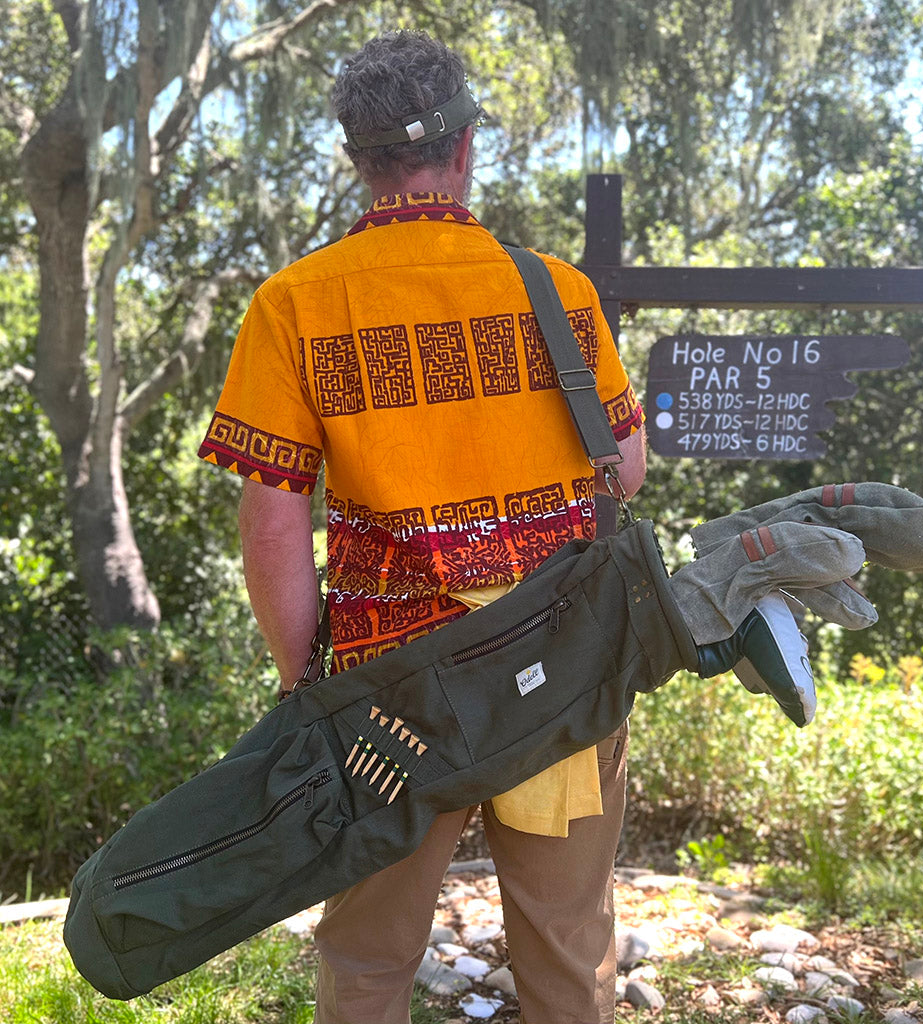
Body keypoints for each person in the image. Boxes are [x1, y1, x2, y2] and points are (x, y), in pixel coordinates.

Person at [198, 29, 646, 1024]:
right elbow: (622, 469)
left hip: (385, 694)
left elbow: (274, 515)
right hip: (556, 673)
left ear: (357, 158)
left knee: (366, 955)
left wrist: (299, 680)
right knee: (571, 943)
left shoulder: (295, 305)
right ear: (466, 147)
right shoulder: (556, 291)